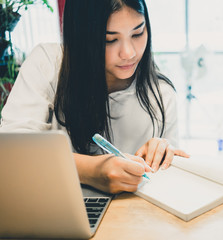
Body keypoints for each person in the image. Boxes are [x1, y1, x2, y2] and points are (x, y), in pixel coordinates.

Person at [0, 0, 189, 194]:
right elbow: (11, 154)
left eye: (138, 33)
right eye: (110, 40)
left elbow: (171, 179)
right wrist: (91, 170)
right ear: (81, 36)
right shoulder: (48, 63)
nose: (129, 53)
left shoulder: (161, 93)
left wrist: (165, 154)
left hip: (135, 219)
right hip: (55, 214)